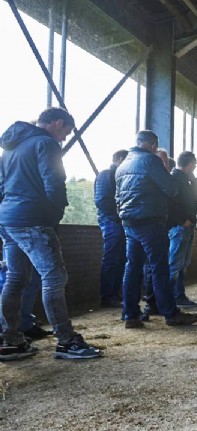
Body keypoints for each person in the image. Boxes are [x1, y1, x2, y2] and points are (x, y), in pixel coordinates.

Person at [0, 107, 103, 361]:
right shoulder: (46, 144)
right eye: (66, 133)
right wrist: (55, 213)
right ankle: (66, 341)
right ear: (58, 123)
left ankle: (11, 339)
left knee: (15, 278)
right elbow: (54, 182)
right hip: (34, 219)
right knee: (54, 277)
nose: (64, 138)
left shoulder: (11, 147)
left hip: (9, 218)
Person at [115, 130, 197, 329]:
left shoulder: (124, 164)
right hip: (149, 219)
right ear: (153, 145)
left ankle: (130, 315)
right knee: (159, 267)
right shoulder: (150, 161)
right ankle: (171, 313)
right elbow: (172, 189)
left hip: (129, 221)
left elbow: (117, 196)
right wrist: (162, 168)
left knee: (132, 267)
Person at [167, 151, 197, 308]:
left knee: (182, 264)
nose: (195, 167)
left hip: (186, 226)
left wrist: (194, 181)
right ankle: (168, 298)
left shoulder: (186, 180)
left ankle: (179, 296)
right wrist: (182, 221)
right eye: (194, 164)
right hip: (180, 227)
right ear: (190, 164)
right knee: (175, 264)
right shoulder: (174, 178)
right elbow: (171, 202)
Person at [94, 149, 128, 308]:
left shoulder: (117, 176)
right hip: (112, 222)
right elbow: (102, 201)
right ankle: (107, 296)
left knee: (120, 258)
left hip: (118, 222)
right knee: (112, 258)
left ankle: (115, 294)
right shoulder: (106, 175)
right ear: (120, 159)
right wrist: (118, 218)